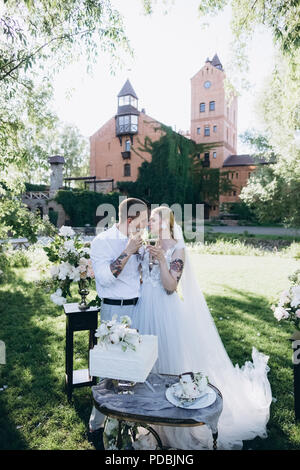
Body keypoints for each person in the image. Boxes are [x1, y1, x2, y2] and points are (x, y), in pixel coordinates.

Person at [131, 206, 272, 450]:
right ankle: (147, 418)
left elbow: (170, 286)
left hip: (166, 311)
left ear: (165, 222)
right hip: (144, 309)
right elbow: (141, 280)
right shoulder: (147, 245)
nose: (148, 222)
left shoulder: (178, 249)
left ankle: (172, 423)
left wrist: (163, 260)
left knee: (168, 360)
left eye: (153, 219)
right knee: (146, 363)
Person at [88, 197, 148, 448]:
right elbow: (105, 278)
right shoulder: (102, 242)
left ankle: (129, 420)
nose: (146, 227)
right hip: (114, 311)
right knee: (108, 371)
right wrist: (128, 251)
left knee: (135, 368)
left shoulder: (140, 241)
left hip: (140, 309)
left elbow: (142, 276)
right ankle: (96, 424)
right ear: (131, 220)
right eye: (144, 221)